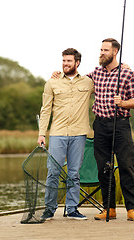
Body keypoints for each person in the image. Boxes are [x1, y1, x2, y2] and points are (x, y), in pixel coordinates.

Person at [87, 38, 134, 221]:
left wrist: (123, 103)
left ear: (115, 52)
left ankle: (132, 209)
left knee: (126, 166)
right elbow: (77, 83)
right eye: (101, 49)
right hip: (101, 125)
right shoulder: (95, 73)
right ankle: (109, 208)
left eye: (105, 50)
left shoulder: (127, 74)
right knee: (104, 167)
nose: (101, 52)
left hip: (120, 125)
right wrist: (59, 74)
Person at [38, 48, 94, 221]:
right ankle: (49, 208)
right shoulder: (52, 83)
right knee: (53, 171)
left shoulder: (88, 82)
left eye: (69, 61)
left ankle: (72, 209)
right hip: (57, 133)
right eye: (63, 61)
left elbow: (107, 81)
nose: (65, 64)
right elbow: (46, 109)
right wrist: (42, 134)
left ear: (77, 62)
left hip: (79, 133)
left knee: (74, 173)